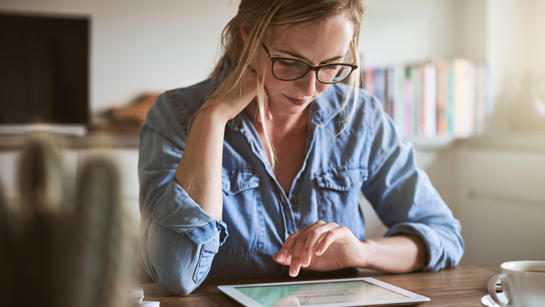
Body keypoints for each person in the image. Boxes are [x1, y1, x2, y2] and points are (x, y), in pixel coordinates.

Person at [138, 0, 464, 296]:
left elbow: (444, 236)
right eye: (290, 63)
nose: (311, 88)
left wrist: (363, 252)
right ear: (249, 36)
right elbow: (175, 274)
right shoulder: (178, 116)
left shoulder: (360, 117)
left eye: (332, 65)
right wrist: (213, 118)